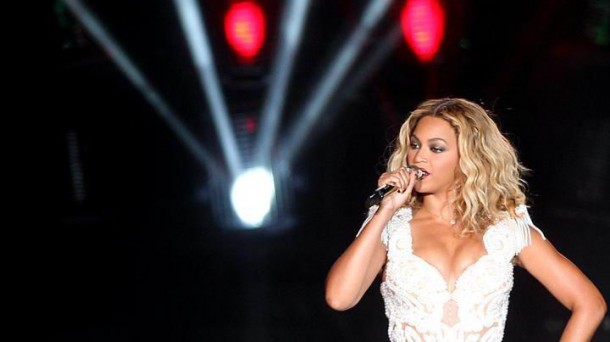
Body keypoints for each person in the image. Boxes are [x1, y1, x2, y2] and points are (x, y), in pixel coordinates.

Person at [325, 98, 606, 341]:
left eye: (436, 148)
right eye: (414, 145)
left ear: (468, 156)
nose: (418, 156)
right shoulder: (391, 225)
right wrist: (385, 210)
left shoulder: (506, 230)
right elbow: (339, 298)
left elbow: (589, 305)